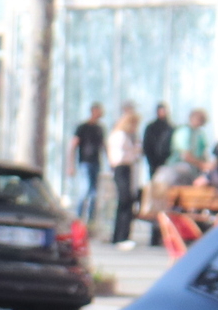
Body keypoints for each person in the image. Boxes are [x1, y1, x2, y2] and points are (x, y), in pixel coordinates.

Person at [107, 109, 141, 246]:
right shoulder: (120, 135)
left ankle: (122, 234)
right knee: (124, 199)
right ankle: (120, 235)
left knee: (127, 201)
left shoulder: (128, 136)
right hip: (121, 167)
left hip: (127, 168)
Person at [72, 103, 106, 220]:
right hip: (85, 163)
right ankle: (78, 218)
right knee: (85, 189)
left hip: (96, 163)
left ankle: (90, 221)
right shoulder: (82, 127)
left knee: (94, 193)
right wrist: (70, 165)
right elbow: (73, 145)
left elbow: (103, 145)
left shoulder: (100, 129)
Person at [142, 103, 175, 177]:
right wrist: (151, 160)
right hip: (153, 161)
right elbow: (147, 145)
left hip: (167, 161)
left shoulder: (171, 128)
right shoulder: (151, 127)